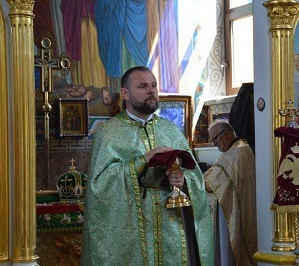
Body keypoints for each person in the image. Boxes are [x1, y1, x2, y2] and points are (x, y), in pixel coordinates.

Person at [81, 66, 213, 265]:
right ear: (125, 93)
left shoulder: (171, 131)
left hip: (171, 231)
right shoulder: (108, 133)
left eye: (153, 85)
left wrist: (183, 179)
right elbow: (99, 186)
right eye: (142, 86)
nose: (151, 90)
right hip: (131, 236)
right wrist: (143, 161)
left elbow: (194, 175)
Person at [204, 120, 257, 266]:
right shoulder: (238, 149)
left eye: (215, 139)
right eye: (212, 140)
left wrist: (195, 181)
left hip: (237, 213)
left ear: (226, 133)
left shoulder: (237, 153)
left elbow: (212, 182)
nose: (214, 143)